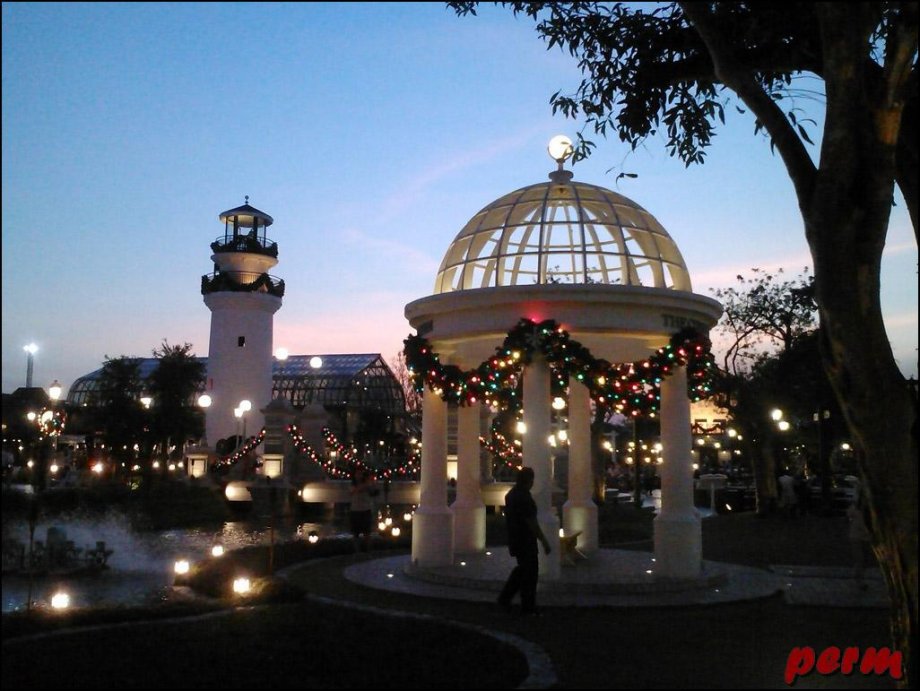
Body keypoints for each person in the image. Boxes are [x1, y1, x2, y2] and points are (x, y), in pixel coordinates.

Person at [497, 466, 551, 616]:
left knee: (522, 570)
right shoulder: (524, 498)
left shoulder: (511, 495)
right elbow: (531, 522)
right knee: (530, 574)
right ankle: (527, 606)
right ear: (529, 480)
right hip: (526, 539)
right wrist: (544, 541)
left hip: (515, 538)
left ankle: (505, 598)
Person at [847, 489, 872, 590]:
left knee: (864, 560)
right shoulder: (857, 509)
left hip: (863, 537)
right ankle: (859, 580)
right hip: (857, 536)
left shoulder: (865, 510)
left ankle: (859, 577)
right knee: (860, 559)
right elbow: (850, 514)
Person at [349, 468, 377, 553]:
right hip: (355, 510)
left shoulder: (368, 484)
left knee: (367, 533)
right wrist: (366, 485)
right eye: (357, 474)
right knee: (355, 533)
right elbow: (354, 491)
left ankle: (367, 551)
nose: (359, 476)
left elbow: (373, 492)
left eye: (360, 474)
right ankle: (357, 552)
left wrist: (370, 484)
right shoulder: (352, 484)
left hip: (365, 510)